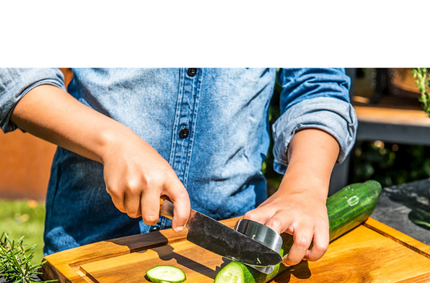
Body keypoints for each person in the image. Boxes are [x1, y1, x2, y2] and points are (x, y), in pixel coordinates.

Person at [0, 68, 357, 266]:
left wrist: (304, 185)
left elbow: (319, 84)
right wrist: (109, 140)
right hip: (89, 239)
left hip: (234, 229)